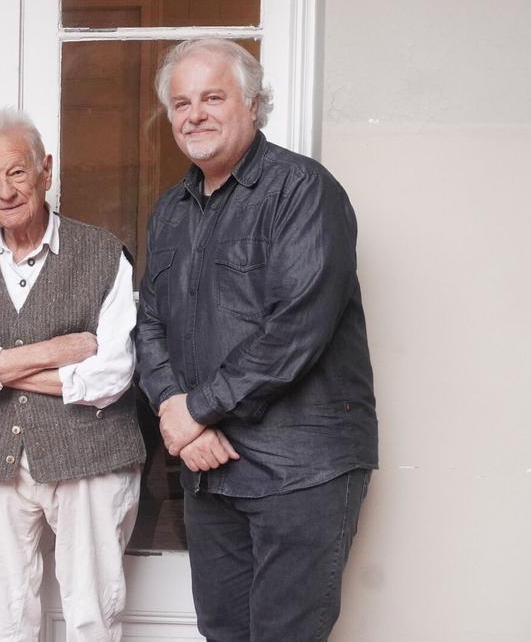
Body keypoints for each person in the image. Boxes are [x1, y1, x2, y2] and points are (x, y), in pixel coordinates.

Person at [135, 38, 378, 641]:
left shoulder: (304, 190)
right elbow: (150, 324)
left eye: (213, 98)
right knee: (222, 632)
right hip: (208, 466)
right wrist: (177, 414)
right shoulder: (170, 211)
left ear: (253, 103)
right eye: (182, 103)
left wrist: (195, 409)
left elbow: (295, 331)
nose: (195, 114)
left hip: (300, 469)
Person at [0, 108, 146, 642]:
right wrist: (57, 351)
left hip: (91, 457)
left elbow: (111, 375)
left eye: (16, 172)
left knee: (93, 612)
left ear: (45, 170)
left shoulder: (103, 253)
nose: (4, 191)